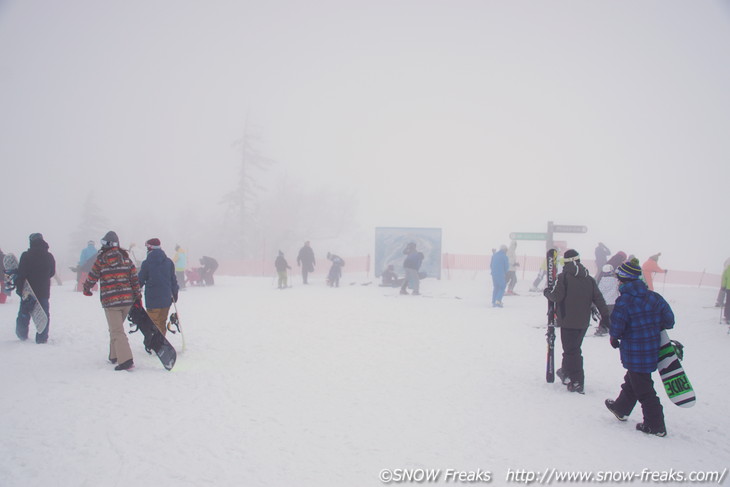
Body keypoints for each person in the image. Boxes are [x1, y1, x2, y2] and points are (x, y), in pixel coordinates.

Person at [605, 258, 675, 437]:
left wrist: (614, 338)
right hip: (652, 349)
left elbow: (618, 326)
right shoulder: (653, 297)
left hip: (634, 352)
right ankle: (621, 408)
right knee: (634, 379)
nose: (618, 281)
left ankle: (655, 425)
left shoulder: (624, 301)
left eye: (619, 278)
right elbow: (669, 320)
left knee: (643, 388)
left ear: (625, 280)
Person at [543, 249, 609, 393]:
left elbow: (557, 297)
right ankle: (565, 372)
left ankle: (577, 381)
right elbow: (599, 300)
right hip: (583, 323)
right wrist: (607, 318)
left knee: (572, 352)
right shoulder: (589, 279)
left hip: (568, 321)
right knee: (572, 349)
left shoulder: (564, 277)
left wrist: (547, 292)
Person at [83, 231, 141, 371]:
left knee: (116, 331)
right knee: (115, 328)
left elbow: (92, 276)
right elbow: (134, 278)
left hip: (111, 301)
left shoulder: (102, 259)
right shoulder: (126, 259)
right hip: (127, 300)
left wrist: (87, 288)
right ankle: (114, 355)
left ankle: (126, 360)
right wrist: (137, 296)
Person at [15, 233, 56, 343]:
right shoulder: (49, 256)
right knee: (43, 314)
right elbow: (52, 272)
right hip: (43, 290)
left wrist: (19, 289)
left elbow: (21, 274)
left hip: (28, 290)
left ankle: (22, 334)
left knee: (24, 311)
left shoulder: (26, 255)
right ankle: (42, 337)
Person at [138, 238, 179, 336]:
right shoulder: (169, 262)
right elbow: (173, 280)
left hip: (152, 299)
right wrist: (175, 292)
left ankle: (157, 343)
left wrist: (134, 291)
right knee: (162, 322)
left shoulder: (147, 263)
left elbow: (140, 280)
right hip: (166, 298)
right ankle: (162, 341)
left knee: (153, 323)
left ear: (150, 248)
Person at [595, 264, 619, 336]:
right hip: (613, 301)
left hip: (604, 301)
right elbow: (617, 290)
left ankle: (603, 328)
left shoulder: (602, 280)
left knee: (605, 315)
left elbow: (599, 291)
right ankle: (606, 328)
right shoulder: (615, 280)